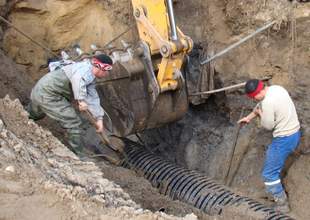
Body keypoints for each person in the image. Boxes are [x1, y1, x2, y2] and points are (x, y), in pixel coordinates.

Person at [27, 54, 113, 156]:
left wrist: (99, 118)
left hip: (46, 91)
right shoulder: (85, 71)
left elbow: (93, 97)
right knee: (73, 121)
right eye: (108, 70)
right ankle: (79, 155)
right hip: (48, 94)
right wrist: (81, 100)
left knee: (35, 114)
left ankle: (22, 117)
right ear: (101, 68)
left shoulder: (90, 76)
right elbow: (78, 80)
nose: (108, 73)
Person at [238, 79, 300, 213]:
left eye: (254, 98)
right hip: (295, 133)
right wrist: (249, 118)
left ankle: (282, 204)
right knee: (273, 165)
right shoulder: (276, 88)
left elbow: (268, 126)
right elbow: (260, 104)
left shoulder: (267, 103)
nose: (254, 100)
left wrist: (261, 115)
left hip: (284, 139)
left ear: (257, 94)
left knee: (269, 174)